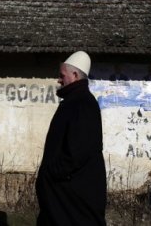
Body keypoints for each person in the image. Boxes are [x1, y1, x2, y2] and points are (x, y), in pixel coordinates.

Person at [36, 51, 106, 225]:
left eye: (62, 76)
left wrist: (51, 174)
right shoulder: (75, 101)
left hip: (71, 200)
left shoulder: (83, 104)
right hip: (63, 199)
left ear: (74, 75)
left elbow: (77, 153)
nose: (59, 80)